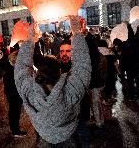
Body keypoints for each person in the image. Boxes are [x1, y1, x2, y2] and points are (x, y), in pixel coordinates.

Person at [14, 16, 91, 146]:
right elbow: (83, 66)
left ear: (38, 72)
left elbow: (21, 68)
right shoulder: (69, 92)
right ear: (60, 72)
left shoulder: (30, 92)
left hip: (44, 136)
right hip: (69, 136)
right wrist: (77, 32)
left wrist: (30, 40)